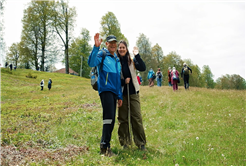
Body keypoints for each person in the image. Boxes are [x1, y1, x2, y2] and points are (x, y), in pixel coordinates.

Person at [88, 33, 123, 157]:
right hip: (105, 90)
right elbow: (91, 63)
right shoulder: (102, 54)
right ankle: (104, 147)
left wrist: (120, 96)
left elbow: (118, 79)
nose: (113, 45)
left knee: (112, 119)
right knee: (108, 118)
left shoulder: (116, 59)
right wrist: (96, 47)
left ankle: (106, 146)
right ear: (106, 44)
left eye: (115, 43)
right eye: (110, 43)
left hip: (114, 92)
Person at [116, 41, 147, 151]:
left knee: (136, 117)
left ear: (126, 49)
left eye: (123, 47)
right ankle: (125, 142)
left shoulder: (132, 61)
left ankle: (141, 143)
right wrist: (124, 81)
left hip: (133, 93)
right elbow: (114, 78)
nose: (122, 49)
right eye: (120, 48)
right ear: (118, 49)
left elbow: (143, 68)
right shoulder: (116, 61)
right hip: (122, 93)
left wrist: (137, 55)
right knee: (123, 118)